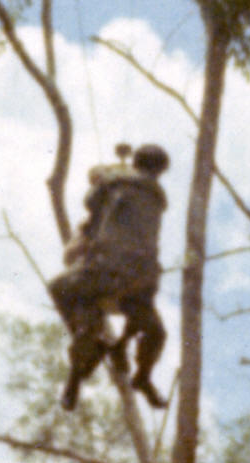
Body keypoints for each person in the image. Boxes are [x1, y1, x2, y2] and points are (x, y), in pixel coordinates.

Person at [48, 144, 169, 410]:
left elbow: (91, 202)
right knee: (155, 331)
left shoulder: (116, 183)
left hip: (106, 272)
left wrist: (106, 176)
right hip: (142, 282)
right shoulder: (158, 198)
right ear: (160, 171)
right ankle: (142, 375)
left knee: (61, 290)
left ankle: (79, 373)